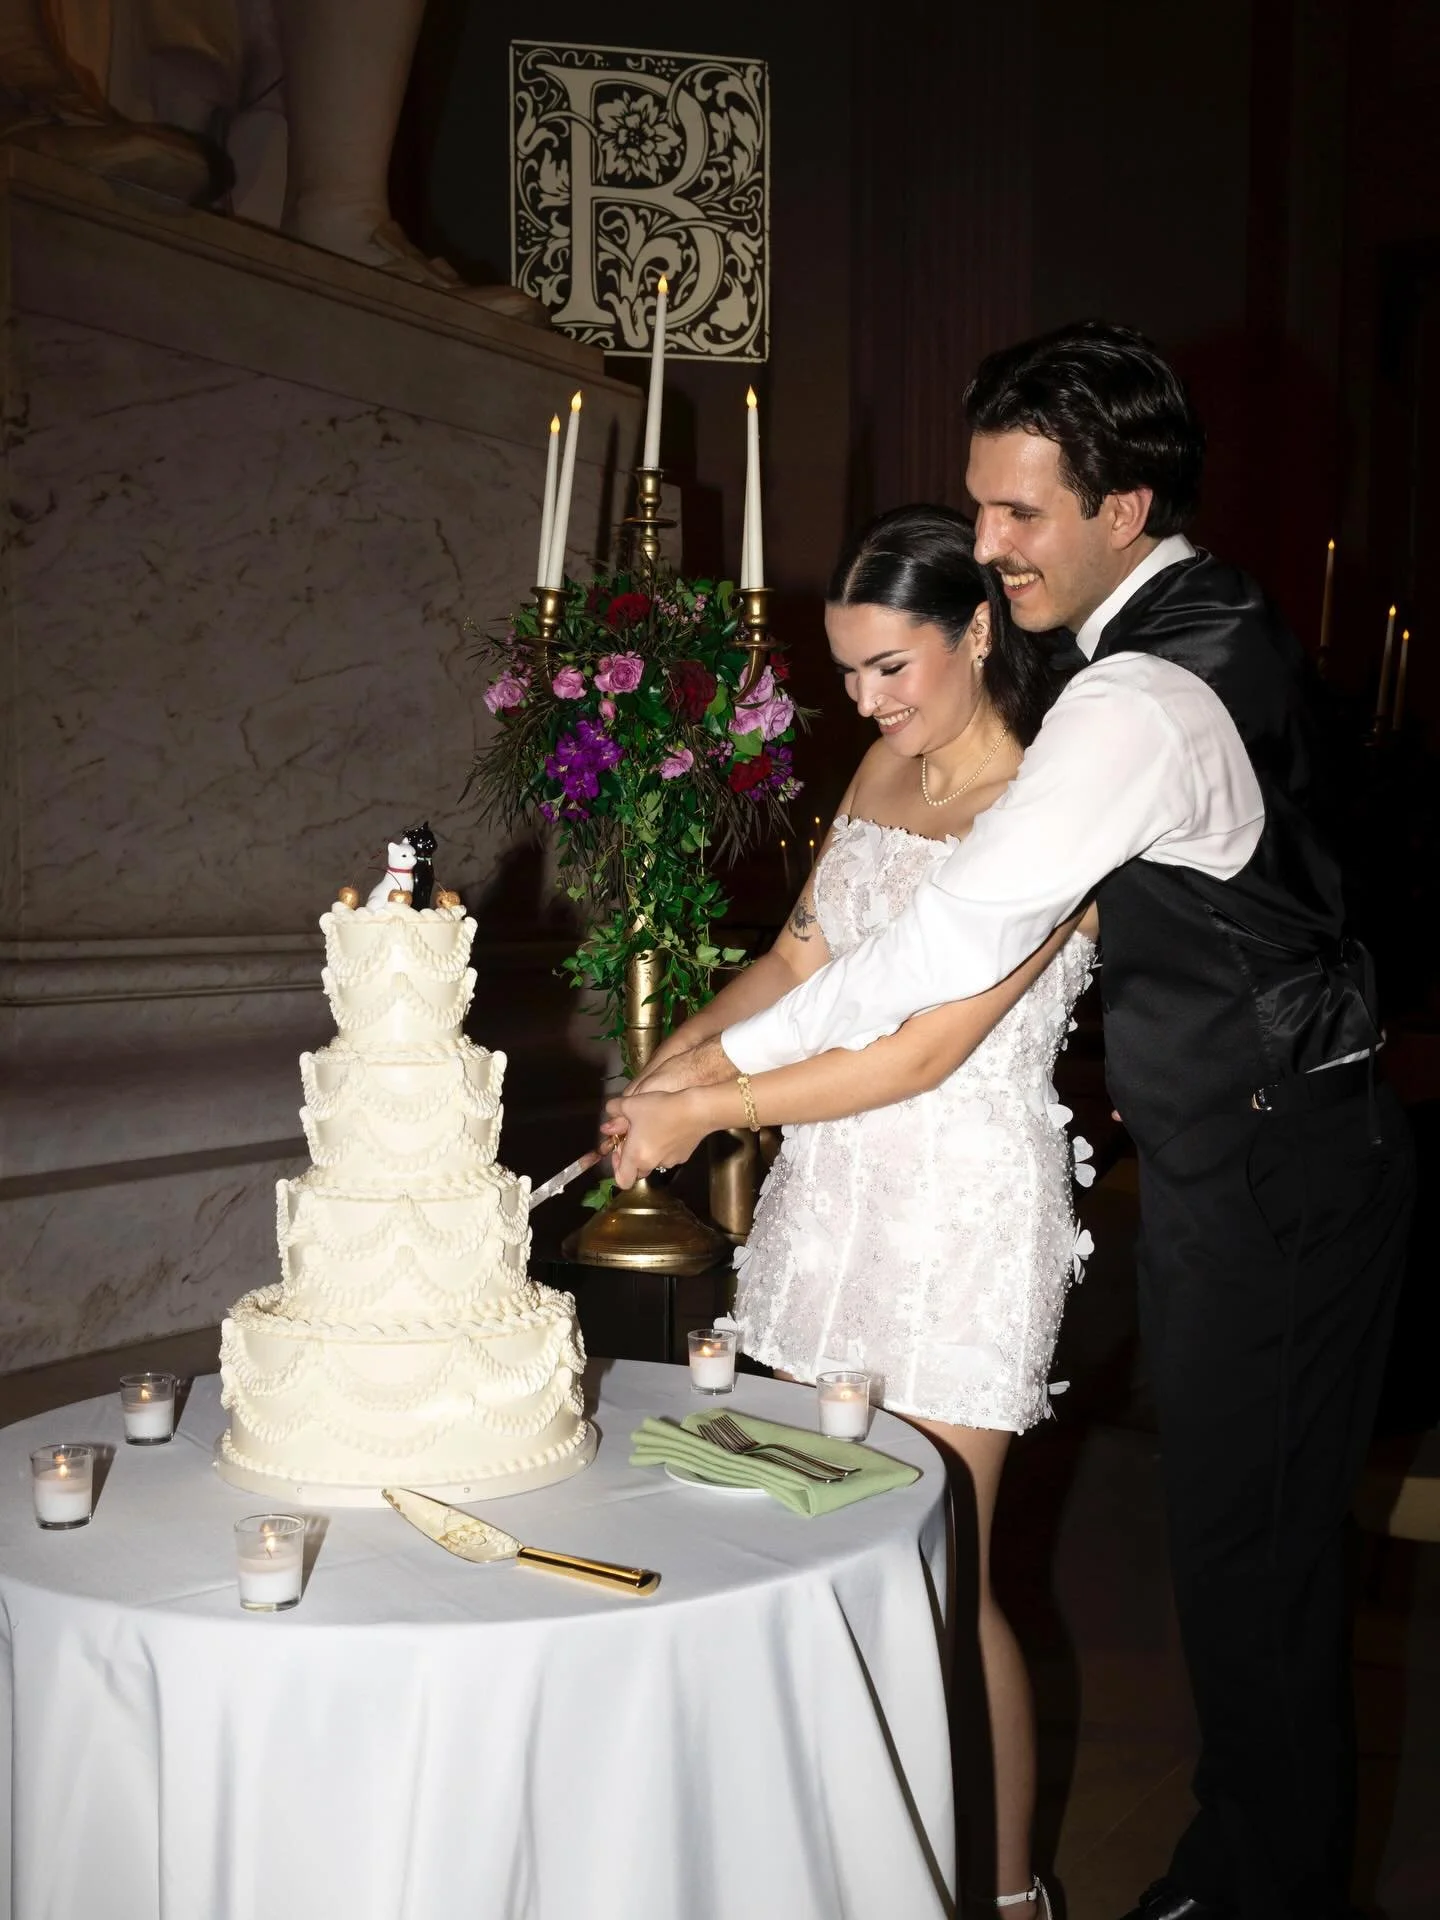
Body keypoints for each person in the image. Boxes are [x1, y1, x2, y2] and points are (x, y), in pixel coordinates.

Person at [611, 323, 1415, 1920]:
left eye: (1021, 514)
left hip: (1276, 1158)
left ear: (1125, 509)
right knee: (1235, 1569)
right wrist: (712, 1072)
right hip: (1236, 1151)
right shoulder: (1175, 642)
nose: (986, 541)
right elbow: (831, 942)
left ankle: (1240, 1891)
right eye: (980, 509)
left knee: (1252, 1576)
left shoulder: (1137, 701)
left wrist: (718, 1097)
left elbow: (949, 951)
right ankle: (1230, 1872)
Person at [610, 504, 1095, 1918]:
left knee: (942, 1570)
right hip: (831, 1199)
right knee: (812, 1542)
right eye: (847, 673)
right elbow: (797, 957)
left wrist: (715, 1112)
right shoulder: (881, 770)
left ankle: (1006, 1897)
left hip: (962, 1209)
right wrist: (669, 1068)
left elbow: (923, 1049)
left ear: (979, 631)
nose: (867, 703)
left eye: (892, 666)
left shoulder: (1058, 803)